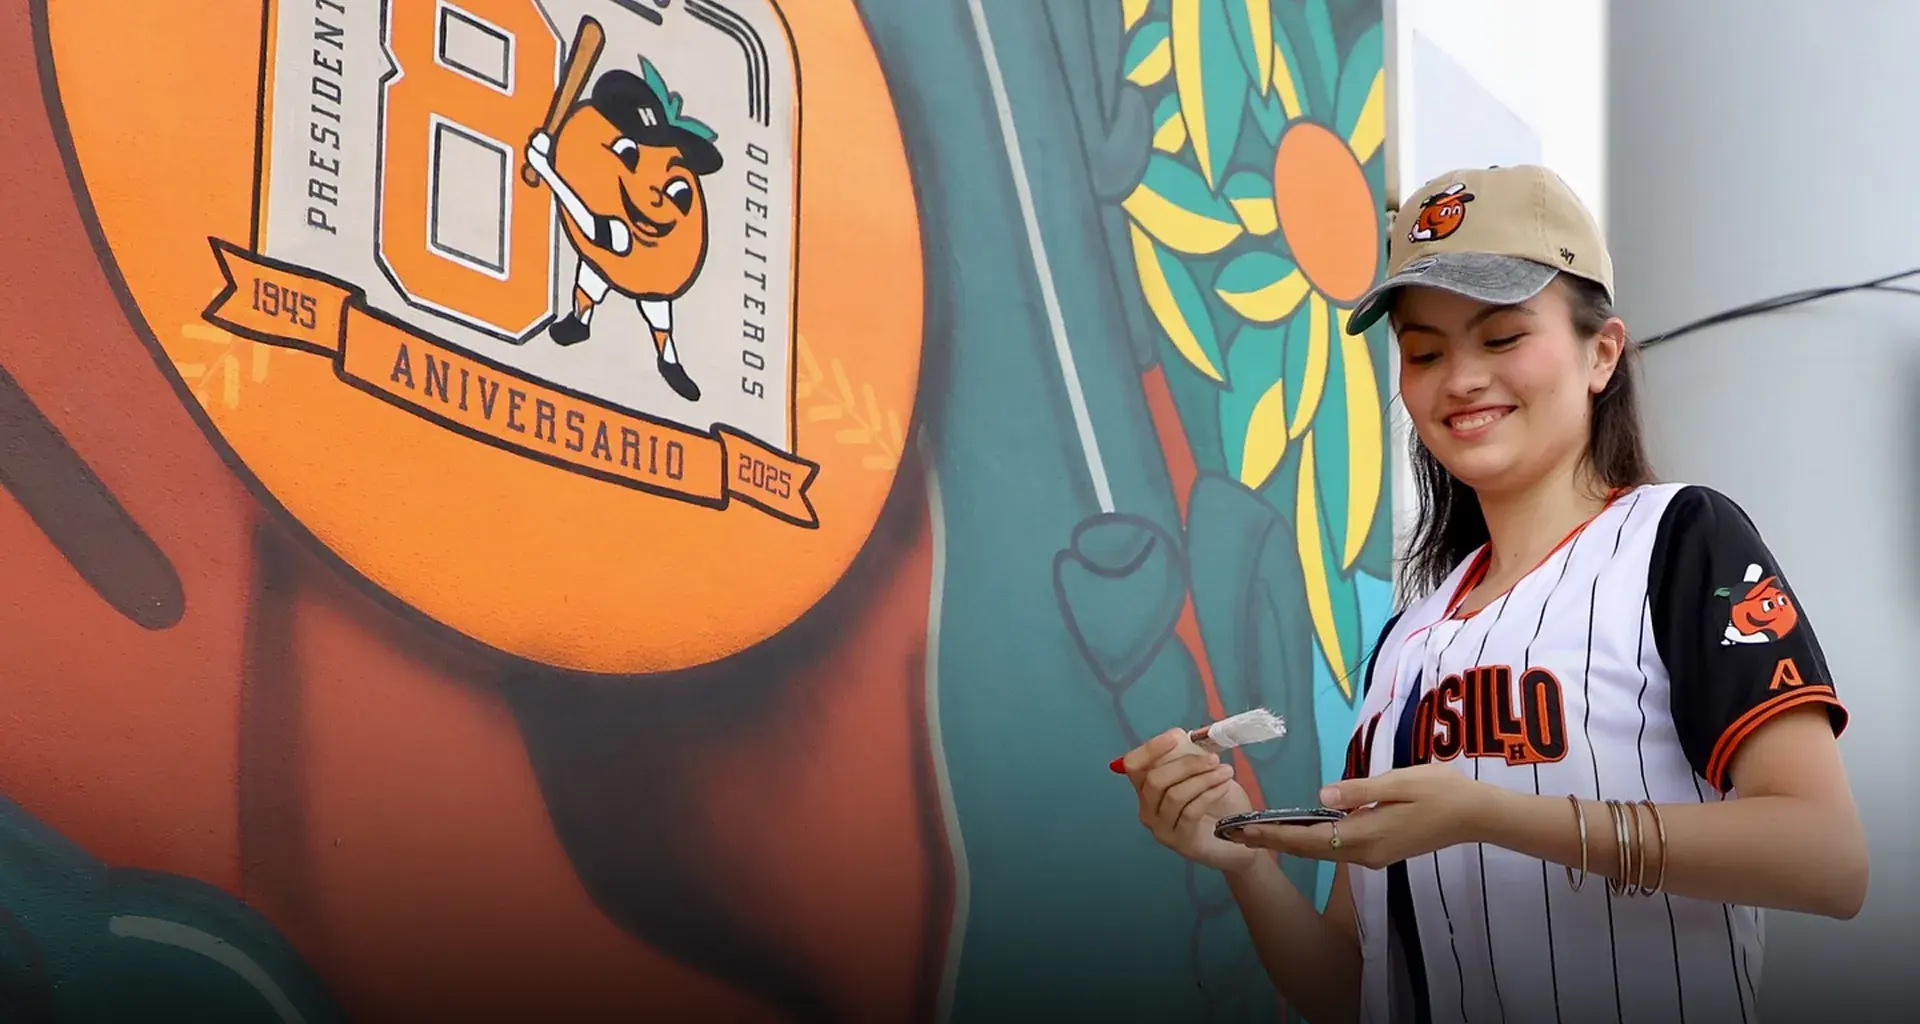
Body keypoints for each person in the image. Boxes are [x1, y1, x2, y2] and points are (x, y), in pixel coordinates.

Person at [1117, 164, 1867, 1024]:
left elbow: (1827, 859)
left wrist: (1489, 816)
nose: (1460, 378)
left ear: (1602, 352)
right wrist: (1243, 856)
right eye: (1425, 351)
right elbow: (1347, 986)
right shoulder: (1409, 640)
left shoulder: (1678, 540)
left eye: (1502, 337)